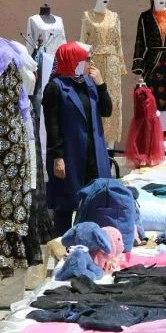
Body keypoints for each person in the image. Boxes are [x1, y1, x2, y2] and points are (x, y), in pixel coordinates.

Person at [42, 41, 112, 236]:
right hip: (69, 156)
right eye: (87, 59)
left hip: (93, 154)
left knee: (95, 202)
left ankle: (91, 242)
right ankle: (62, 246)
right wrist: (57, 157)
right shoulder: (55, 87)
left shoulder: (89, 83)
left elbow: (107, 110)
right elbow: (52, 126)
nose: (91, 63)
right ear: (73, 60)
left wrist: (101, 84)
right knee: (65, 205)